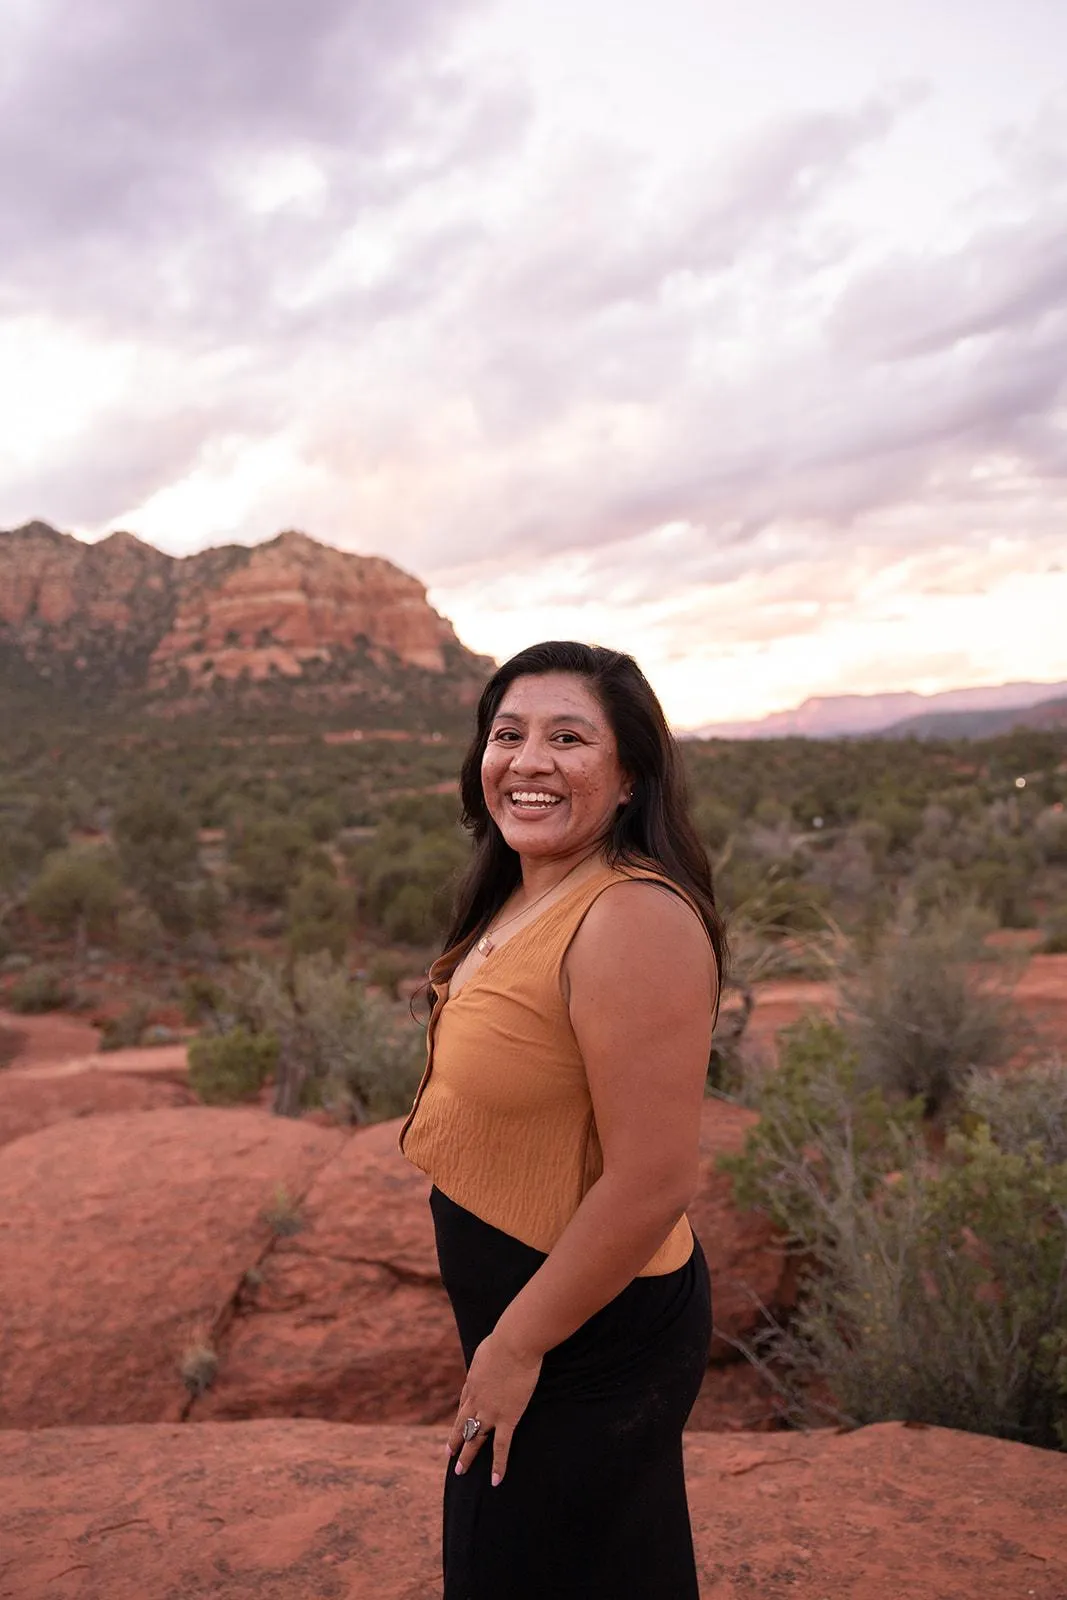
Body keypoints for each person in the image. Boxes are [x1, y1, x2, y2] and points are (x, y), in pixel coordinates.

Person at [398, 640, 726, 1600]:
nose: (528, 761)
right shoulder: (522, 889)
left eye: (568, 738)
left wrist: (515, 1345)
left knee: (528, 1568)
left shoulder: (633, 917)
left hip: (590, 1324)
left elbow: (653, 1180)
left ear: (629, 778)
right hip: (541, 1305)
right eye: (508, 734)